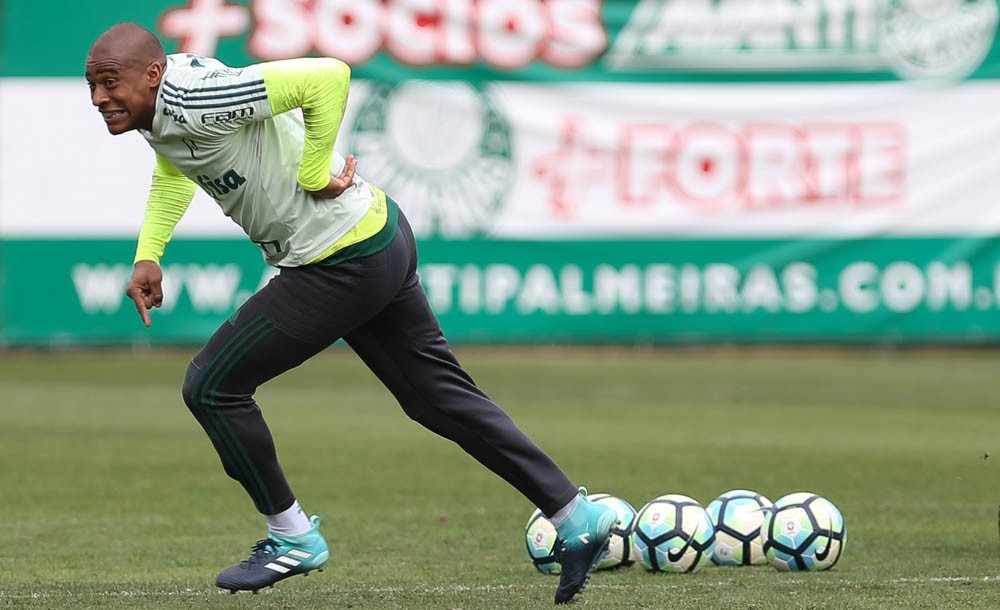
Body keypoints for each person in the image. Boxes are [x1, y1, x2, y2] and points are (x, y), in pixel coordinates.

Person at [84, 22, 617, 604]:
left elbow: (327, 75)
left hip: (339, 262)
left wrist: (314, 171)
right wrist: (149, 254)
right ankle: (574, 516)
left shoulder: (195, 95)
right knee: (436, 398)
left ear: (152, 74)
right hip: (376, 236)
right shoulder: (162, 108)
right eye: (91, 86)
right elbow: (175, 163)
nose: (99, 99)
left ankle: (292, 536)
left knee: (212, 386)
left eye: (109, 83)